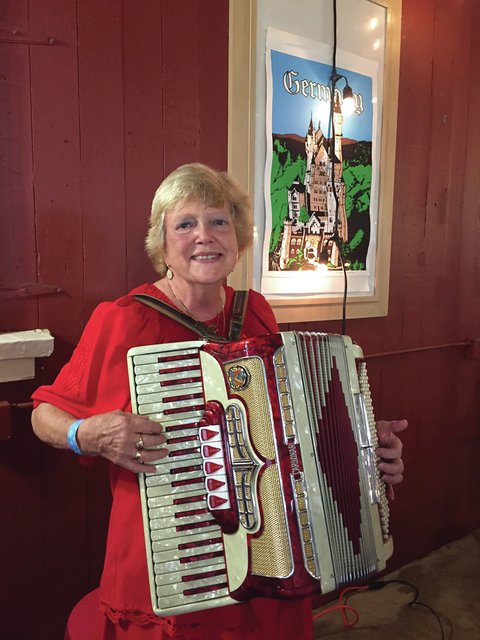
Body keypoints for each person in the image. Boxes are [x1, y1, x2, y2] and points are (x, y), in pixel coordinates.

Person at [31, 163, 407, 640]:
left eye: (218, 221)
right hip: (173, 552)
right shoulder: (124, 320)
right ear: (162, 245)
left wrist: (363, 451)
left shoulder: (255, 311)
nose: (203, 236)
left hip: (265, 549)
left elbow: (287, 426)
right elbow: (44, 415)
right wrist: (85, 434)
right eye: (184, 224)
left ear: (238, 238)